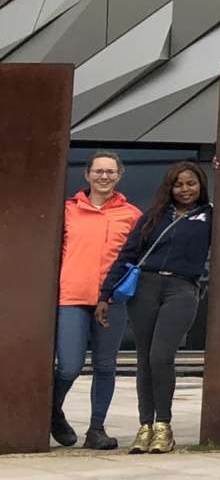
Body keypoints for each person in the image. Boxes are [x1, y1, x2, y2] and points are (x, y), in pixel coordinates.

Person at [98, 160, 212, 456]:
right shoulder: (155, 216)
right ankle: (145, 426)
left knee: (161, 356)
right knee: (144, 360)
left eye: (191, 183)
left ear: (201, 185)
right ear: (169, 187)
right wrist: (105, 295)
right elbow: (128, 254)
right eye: (178, 184)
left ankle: (164, 425)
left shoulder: (210, 216)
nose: (185, 189)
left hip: (181, 289)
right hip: (145, 288)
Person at [51, 152, 139, 450]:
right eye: (98, 171)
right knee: (69, 366)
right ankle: (53, 410)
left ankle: (96, 429)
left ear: (119, 175)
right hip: (72, 296)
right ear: (87, 175)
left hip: (112, 300)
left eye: (110, 172)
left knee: (105, 366)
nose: (104, 176)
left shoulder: (131, 214)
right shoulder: (66, 210)